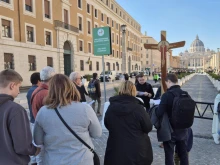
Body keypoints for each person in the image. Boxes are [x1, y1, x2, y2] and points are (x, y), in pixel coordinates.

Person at [33, 74, 102, 165]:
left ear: (51, 90)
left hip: (54, 161)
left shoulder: (43, 112)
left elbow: (37, 140)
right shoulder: (85, 109)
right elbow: (97, 134)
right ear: (71, 88)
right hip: (82, 160)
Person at [104, 81, 153, 165]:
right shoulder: (138, 108)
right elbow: (148, 127)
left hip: (116, 148)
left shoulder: (111, 107)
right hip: (137, 150)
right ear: (134, 91)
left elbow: (107, 124)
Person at [0, 69, 40, 165]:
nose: (19, 91)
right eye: (19, 87)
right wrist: (35, 150)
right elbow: (22, 146)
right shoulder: (16, 110)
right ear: (12, 85)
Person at [156, 73, 189, 165]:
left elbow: (159, 113)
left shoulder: (167, 95)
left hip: (170, 129)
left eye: (166, 83)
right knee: (183, 154)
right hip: (183, 129)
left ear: (169, 81)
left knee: (169, 155)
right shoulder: (185, 94)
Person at [31, 66, 55, 165]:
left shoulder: (37, 90)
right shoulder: (46, 93)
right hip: (45, 131)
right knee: (43, 158)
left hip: (39, 127)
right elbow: (52, 114)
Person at [26, 72, 41, 165]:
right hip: (37, 121)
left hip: (32, 120)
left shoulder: (29, 90)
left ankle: (34, 161)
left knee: (34, 143)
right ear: (39, 80)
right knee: (39, 146)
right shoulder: (38, 91)